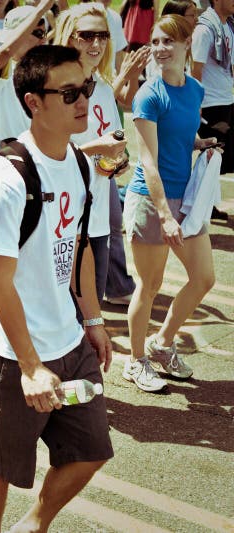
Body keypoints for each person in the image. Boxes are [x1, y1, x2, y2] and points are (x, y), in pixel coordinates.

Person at [0, 44, 114, 533]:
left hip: (71, 345)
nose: (84, 101)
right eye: (70, 92)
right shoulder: (7, 177)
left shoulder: (76, 162)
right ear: (34, 102)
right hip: (14, 357)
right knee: (3, 466)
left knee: (91, 450)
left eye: (87, 88)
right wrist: (31, 366)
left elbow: (79, 249)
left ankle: (34, 525)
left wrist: (92, 320)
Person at [123, 15, 217, 392]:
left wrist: (202, 145)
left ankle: (161, 343)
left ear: (186, 44)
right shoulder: (149, 95)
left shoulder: (194, 90)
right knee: (150, 285)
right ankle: (135, 361)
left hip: (186, 199)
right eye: (156, 41)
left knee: (204, 277)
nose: (160, 48)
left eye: (168, 41)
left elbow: (181, 137)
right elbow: (148, 160)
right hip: (151, 200)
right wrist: (165, 215)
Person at [53, 3, 135, 306]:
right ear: (69, 37)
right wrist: (95, 149)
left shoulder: (101, 87)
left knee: (92, 311)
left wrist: (115, 160)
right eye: (87, 36)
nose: (97, 44)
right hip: (62, 219)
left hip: (97, 216)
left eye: (102, 36)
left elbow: (116, 138)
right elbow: (42, 153)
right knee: (65, 313)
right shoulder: (53, 85)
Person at [0, 1, 49, 164]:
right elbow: (8, 51)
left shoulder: (43, 72)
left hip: (33, 166)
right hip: (0, 166)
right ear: (17, 35)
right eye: (36, 33)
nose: (43, 40)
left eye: (44, 34)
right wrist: (42, 8)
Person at [192, 0, 234, 221]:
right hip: (210, 104)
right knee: (210, 156)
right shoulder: (205, 29)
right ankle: (200, 206)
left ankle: (208, 203)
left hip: (226, 100)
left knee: (220, 157)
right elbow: (195, 69)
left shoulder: (227, 26)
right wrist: (196, 103)